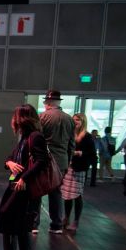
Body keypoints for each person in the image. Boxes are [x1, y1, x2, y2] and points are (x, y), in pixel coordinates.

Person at [0, 104, 48, 250]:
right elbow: (10, 158)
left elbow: (42, 161)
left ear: (21, 118)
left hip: (23, 188)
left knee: (12, 224)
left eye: (15, 116)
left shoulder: (35, 137)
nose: (13, 120)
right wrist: (9, 164)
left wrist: (24, 178)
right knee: (19, 227)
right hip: (18, 186)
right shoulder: (26, 137)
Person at [35, 90, 75, 234]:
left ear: (48, 103)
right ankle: (56, 225)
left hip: (44, 160)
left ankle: (34, 224)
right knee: (56, 192)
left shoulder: (43, 117)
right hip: (62, 161)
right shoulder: (69, 119)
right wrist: (68, 160)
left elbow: (37, 140)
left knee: (37, 190)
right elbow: (71, 144)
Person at [60, 114, 97, 232]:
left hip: (79, 168)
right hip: (68, 167)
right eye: (74, 120)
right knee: (67, 195)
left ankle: (76, 220)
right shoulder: (69, 134)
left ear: (83, 122)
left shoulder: (87, 136)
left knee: (77, 195)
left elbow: (92, 154)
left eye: (77, 120)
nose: (75, 122)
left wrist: (81, 153)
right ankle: (66, 218)